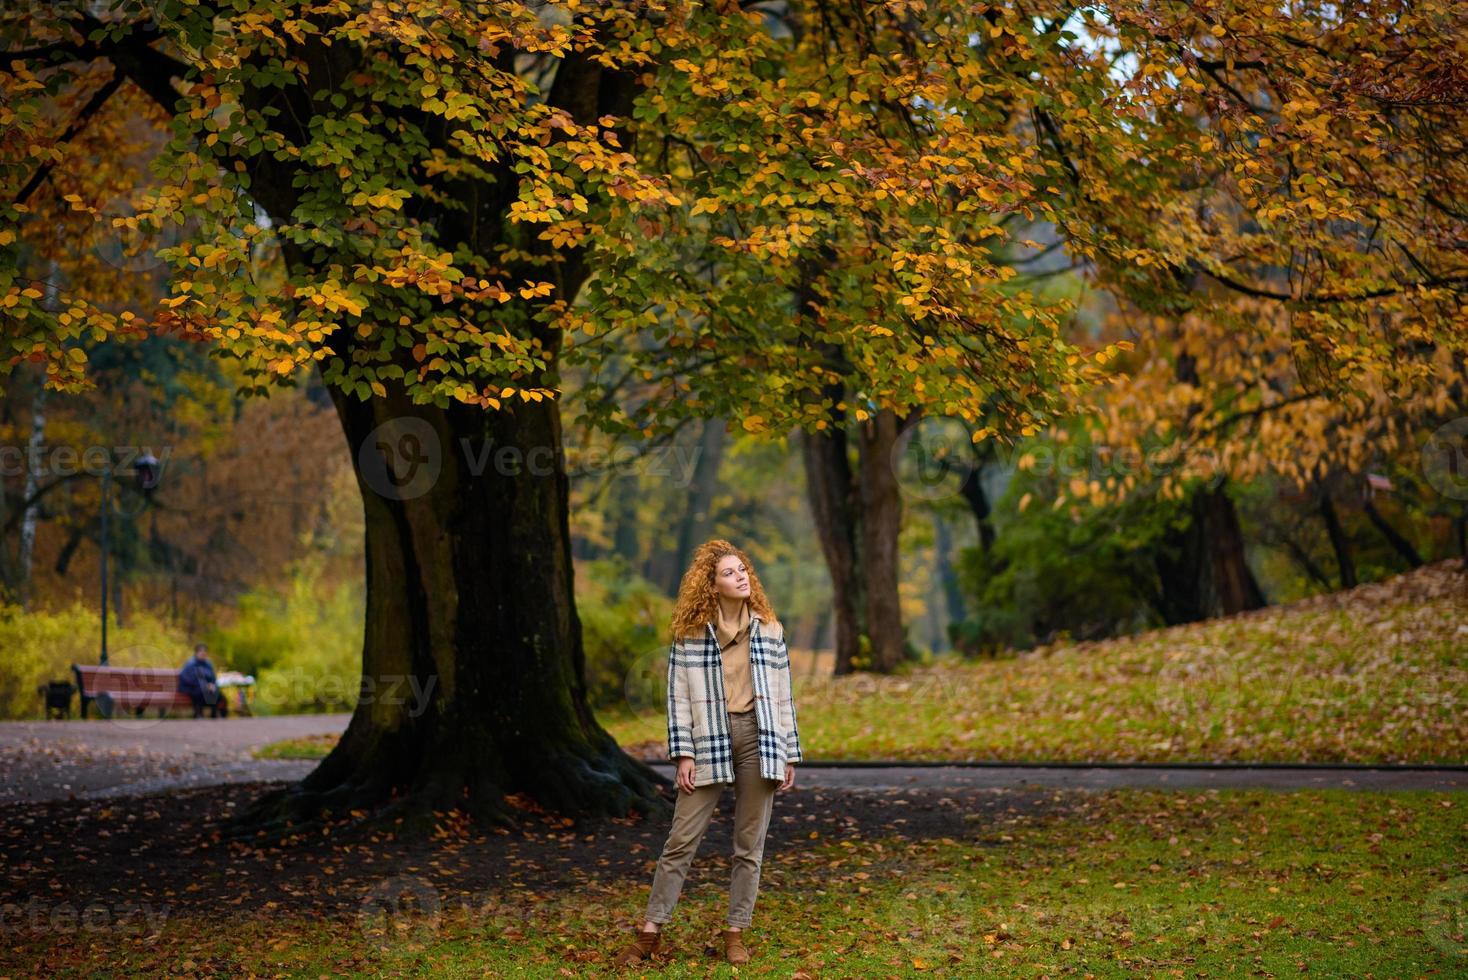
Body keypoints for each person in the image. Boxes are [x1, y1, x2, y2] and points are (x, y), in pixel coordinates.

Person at [613, 539, 804, 967]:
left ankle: (735, 931)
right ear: (711, 585)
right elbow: (678, 698)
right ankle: (649, 933)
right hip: (708, 741)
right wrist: (682, 754)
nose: (742, 577)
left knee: (749, 844)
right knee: (681, 840)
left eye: (743, 571)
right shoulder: (691, 636)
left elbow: (784, 695)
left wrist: (788, 752)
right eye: (730, 573)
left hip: (760, 738)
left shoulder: (770, 630)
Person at [177, 643, 227, 719]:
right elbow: (186, 679)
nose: (203, 654)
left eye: (205, 652)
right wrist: (204, 685)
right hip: (191, 688)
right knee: (200, 692)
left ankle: (214, 714)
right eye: (201, 652)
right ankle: (198, 714)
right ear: (196, 653)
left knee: (218, 694)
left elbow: (213, 678)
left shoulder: (208, 664)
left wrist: (212, 685)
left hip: (205, 688)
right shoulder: (190, 664)